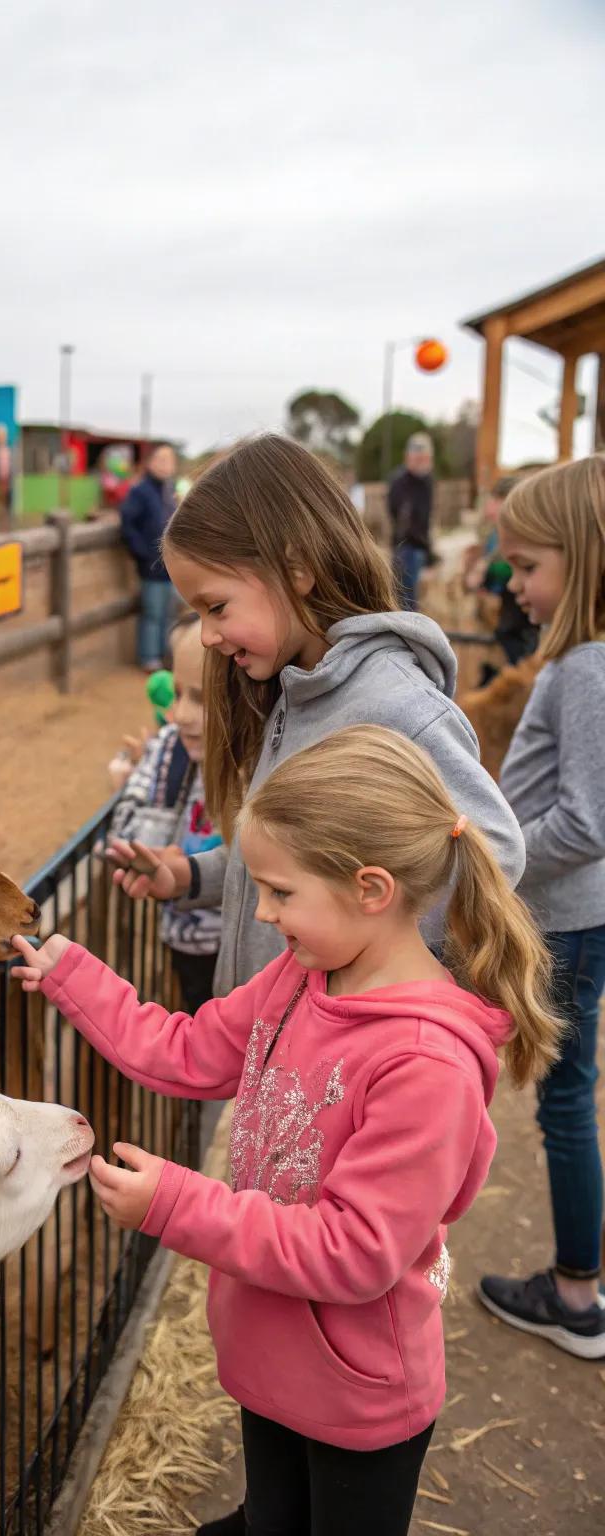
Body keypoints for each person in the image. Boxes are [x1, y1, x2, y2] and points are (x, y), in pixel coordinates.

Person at [13, 725, 562, 1536]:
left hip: (358, 1394)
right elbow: (190, 1050)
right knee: (269, 1517)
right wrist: (72, 976)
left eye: (279, 892)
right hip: (271, 1357)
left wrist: (174, 1204)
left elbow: (353, 1249)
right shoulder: (302, 977)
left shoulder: (425, 1063)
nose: (263, 915)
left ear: (371, 889)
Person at [106, 434, 525, 1004]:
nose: (206, 635)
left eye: (217, 607)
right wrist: (192, 876)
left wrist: (377, 975)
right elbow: (303, 852)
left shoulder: (396, 706)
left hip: (335, 1049)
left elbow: (494, 850)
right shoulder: (291, 690)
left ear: (297, 569)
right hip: (278, 1040)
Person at [478, 454, 605, 1358]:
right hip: (565, 913)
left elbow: (587, 820)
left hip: (560, 919)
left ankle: (574, 1295)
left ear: (583, 557)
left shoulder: (585, 670)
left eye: (527, 566)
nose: (513, 584)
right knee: (565, 1094)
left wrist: (491, 861)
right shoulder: (573, 665)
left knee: (562, 1103)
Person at [109, 613, 222, 1013]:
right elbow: (123, 832)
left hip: (242, 949)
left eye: (203, 699)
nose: (183, 715)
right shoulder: (169, 749)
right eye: (177, 694)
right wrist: (154, 858)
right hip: (185, 941)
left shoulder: (265, 765)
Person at [465, 475, 539, 668]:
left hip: (522, 609)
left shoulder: (520, 531)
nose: (489, 507)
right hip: (511, 604)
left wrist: (485, 574)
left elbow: (510, 567)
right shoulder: (497, 532)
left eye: (495, 500)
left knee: (513, 635)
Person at [120, 443, 178, 671]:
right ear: (150, 462)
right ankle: (149, 658)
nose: (166, 465)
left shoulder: (168, 490)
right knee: (153, 613)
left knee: (169, 613)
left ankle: (165, 655)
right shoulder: (140, 491)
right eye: (161, 459)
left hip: (170, 567)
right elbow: (128, 524)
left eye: (170, 460)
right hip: (151, 566)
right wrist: (142, 554)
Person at [389, 432, 435, 611]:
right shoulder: (401, 482)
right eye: (418, 458)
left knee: (411, 594)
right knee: (406, 599)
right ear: (409, 457)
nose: (422, 462)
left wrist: (428, 549)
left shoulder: (427, 481)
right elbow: (401, 517)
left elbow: (425, 518)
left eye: (425, 458)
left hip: (419, 546)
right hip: (406, 545)